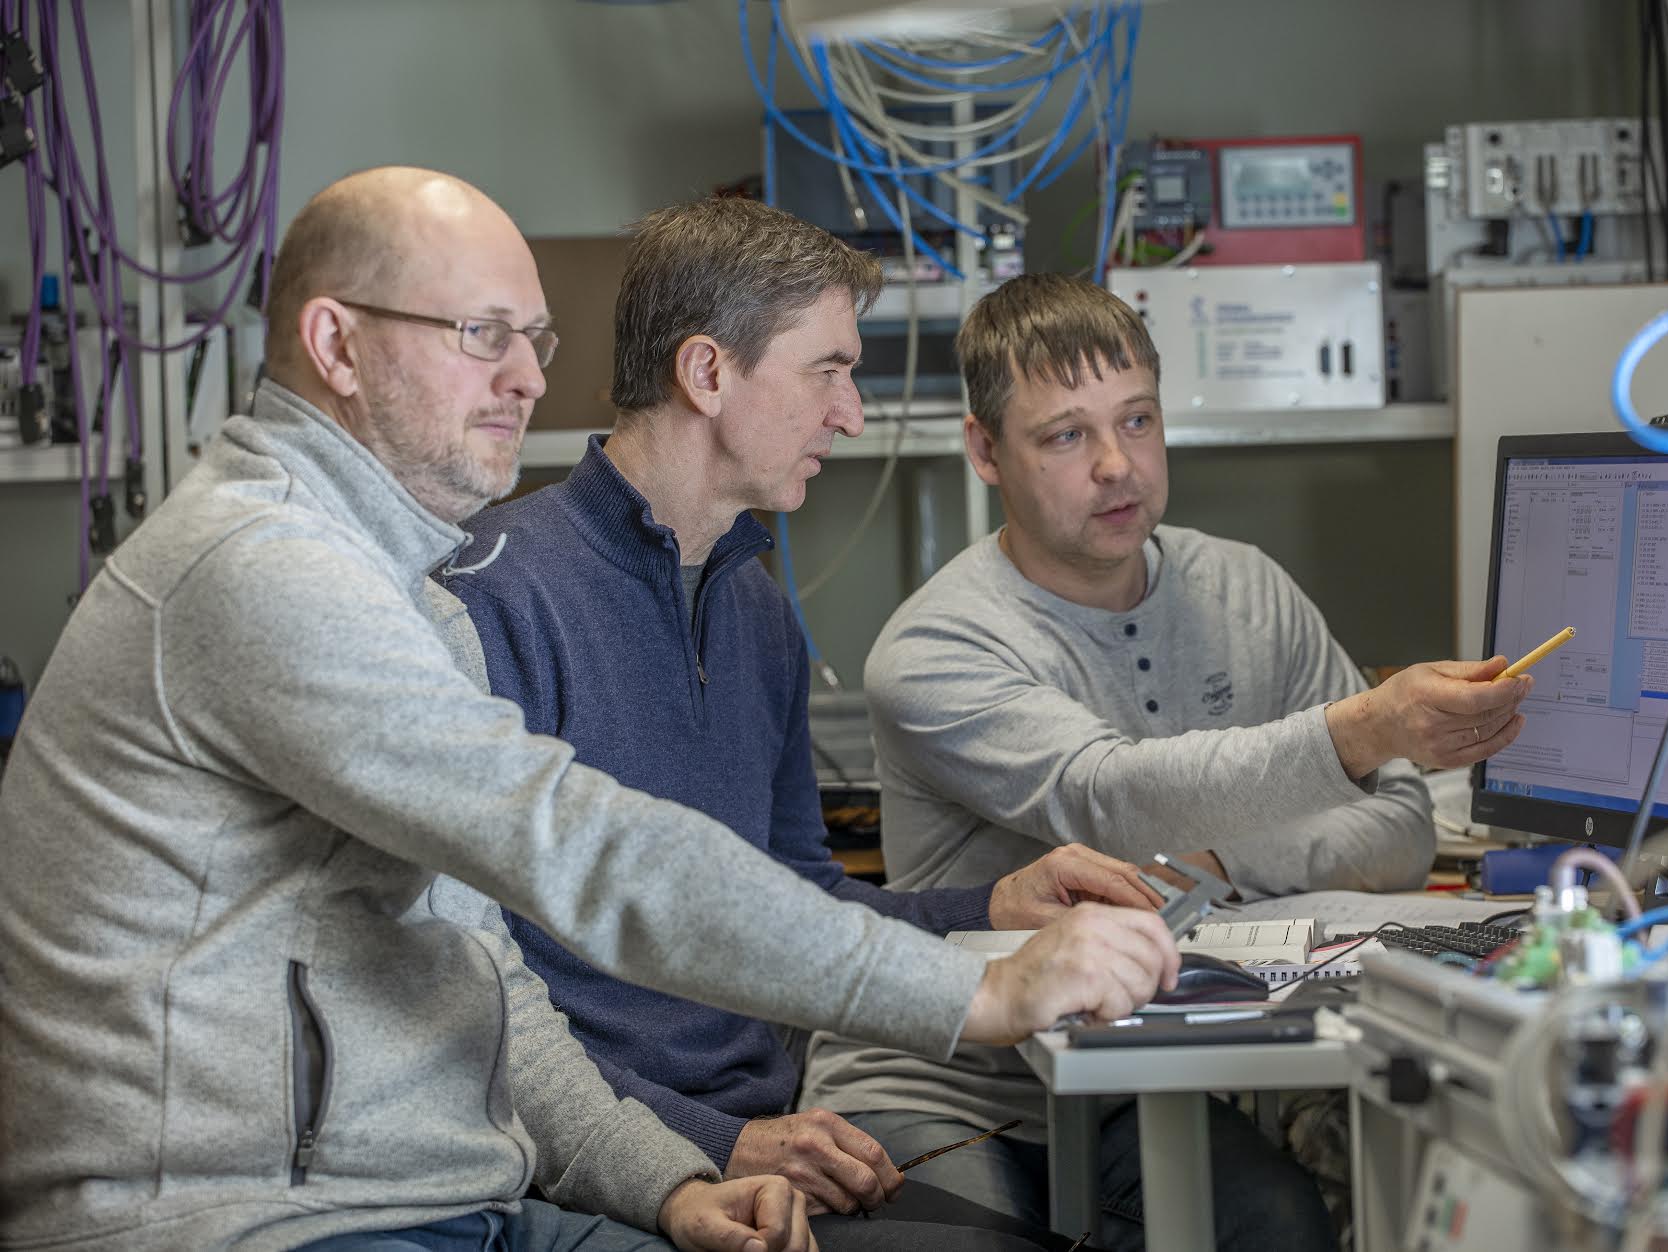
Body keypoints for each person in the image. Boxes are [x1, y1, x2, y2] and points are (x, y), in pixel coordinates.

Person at [0, 171, 1181, 1252]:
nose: (526, 376)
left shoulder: (408, 599)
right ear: (336, 346)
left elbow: (484, 978)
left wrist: (666, 1180)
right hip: (248, 1219)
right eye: (482, 337)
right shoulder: (260, 568)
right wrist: (977, 992)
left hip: (438, 1194)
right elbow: (578, 848)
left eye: (535, 339)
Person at [430, 197, 1160, 1251]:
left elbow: (795, 898)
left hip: (766, 1127)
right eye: (828, 369)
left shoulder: (753, 601)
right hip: (604, 1160)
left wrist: (992, 902)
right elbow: (475, 991)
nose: (851, 411)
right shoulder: (496, 599)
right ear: (708, 374)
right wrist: (708, 1145)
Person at [800, 272, 1534, 1251]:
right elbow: (1114, 799)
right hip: (945, 1082)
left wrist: (1219, 866)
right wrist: (1363, 729)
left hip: (1138, 1085)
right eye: (1066, 435)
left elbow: (1401, 830)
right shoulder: (935, 648)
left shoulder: (1249, 593)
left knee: (1282, 1226)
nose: (1118, 465)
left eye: (1137, 420)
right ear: (985, 450)